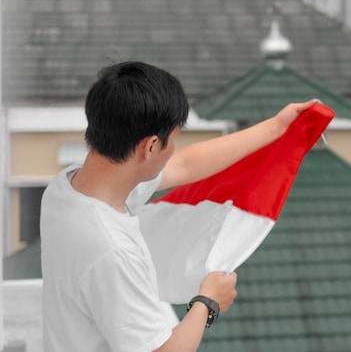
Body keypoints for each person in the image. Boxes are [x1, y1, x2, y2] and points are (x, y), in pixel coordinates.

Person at [40, 61, 318, 352]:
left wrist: (277, 127)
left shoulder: (67, 187)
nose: (173, 151)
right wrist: (208, 302)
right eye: (172, 141)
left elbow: (185, 165)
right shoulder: (112, 251)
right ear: (150, 147)